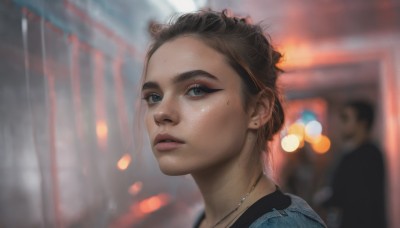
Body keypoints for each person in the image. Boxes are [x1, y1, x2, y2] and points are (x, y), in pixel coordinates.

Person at [140, 9, 326, 227]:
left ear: (258, 110)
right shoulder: (209, 220)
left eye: (197, 90)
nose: (162, 113)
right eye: (154, 96)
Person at [315, 100, 386, 228]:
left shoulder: (369, 156)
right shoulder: (349, 154)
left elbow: (355, 198)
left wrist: (325, 198)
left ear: (362, 124)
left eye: (346, 118)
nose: (341, 124)